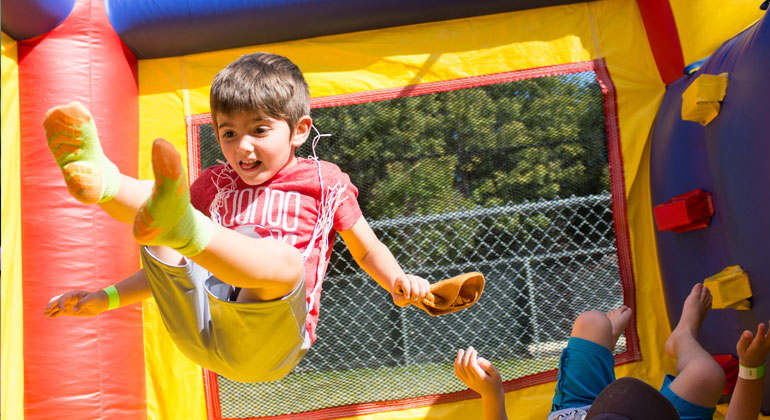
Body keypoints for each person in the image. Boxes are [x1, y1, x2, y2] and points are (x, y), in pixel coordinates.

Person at [42, 52, 435, 383]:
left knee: (282, 260)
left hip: (266, 344)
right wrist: (104, 298)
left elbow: (367, 250)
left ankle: (167, 215)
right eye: (228, 133)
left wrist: (397, 278)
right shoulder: (215, 183)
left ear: (299, 130)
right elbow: (171, 273)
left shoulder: (323, 181)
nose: (242, 146)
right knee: (166, 219)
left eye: (259, 130)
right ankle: (105, 182)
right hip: (198, 327)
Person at [454, 283, 770, 420]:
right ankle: (683, 337)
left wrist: (491, 393)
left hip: (577, 409)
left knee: (592, 322)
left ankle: (603, 346)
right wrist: (751, 367)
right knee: (706, 375)